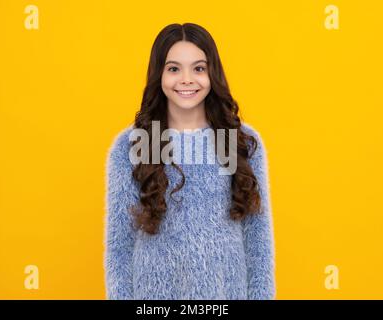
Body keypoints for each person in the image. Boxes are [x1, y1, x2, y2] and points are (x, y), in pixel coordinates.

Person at [104, 23, 276, 300]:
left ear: (212, 74)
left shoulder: (241, 142)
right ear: (158, 74)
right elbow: (119, 246)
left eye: (198, 68)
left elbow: (258, 241)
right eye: (174, 68)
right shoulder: (130, 146)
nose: (186, 79)